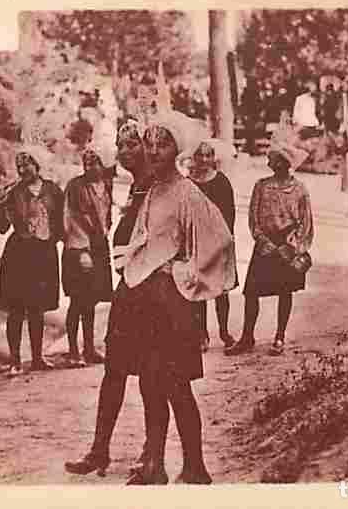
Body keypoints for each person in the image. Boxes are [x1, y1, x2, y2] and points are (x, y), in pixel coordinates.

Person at [123, 112, 236, 485]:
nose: (154, 151)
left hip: (173, 303)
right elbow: (143, 241)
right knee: (149, 383)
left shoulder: (189, 193)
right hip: (148, 299)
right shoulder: (154, 191)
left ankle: (195, 466)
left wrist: (181, 270)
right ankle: (154, 465)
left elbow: (220, 242)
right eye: (150, 144)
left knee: (175, 384)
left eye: (163, 144)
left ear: (178, 150)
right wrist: (138, 267)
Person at [64, 120, 153, 478]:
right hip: (128, 291)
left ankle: (152, 453)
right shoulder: (135, 187)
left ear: (147, 148)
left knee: (153, 377)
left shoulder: (157, 186)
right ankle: (99, 450)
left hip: (152, 295)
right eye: (120, 145)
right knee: (114, 372)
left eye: (132, 144)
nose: (123, 152)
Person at [226, 127, 314, 356]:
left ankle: (279, 337)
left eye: (274, 159)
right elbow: (253, 218)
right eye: (271, 158)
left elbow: (306, 223)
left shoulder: (299, 190)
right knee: (251, 292)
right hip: (265, 245)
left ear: (285, 163)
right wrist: (261, 239)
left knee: (285, 292)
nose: (270, 162)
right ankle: (247, 337)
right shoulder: (261, 186)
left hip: (288, 245)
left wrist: (292, 246)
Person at [0, 149, 65, 376]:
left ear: (37, 165)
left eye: (26, 164)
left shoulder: (53, 190)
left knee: (37, 309)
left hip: (44, 255)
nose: (22, 170)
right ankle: (15, 361)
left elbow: (63, 220)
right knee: (16, 310)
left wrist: (54, 239)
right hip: (18, 255)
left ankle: (38, 358)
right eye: (19, 166)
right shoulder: (13, 193)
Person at [62, 147, 114, 366]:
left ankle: (89, 348)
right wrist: (82, 251)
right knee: (78, 300)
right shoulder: (75, 186)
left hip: (99, 246)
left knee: (91, 300)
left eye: (94, 163)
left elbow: (105, 217)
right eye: (86, 163)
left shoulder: (106, 185)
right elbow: (70, 218)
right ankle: (73, 351)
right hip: (79, 247)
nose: (89, 167)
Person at [187, 140, 239, 351]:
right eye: (200, 155)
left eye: (208, 155)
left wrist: (226, 239)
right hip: (197, 241)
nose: (204, 159)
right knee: (200, 289)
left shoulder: (221, 181)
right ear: (194, 158)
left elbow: (229, 212)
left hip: (219, 240)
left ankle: (224, 332)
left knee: (221, 290)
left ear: (213, 158)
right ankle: (202, 334)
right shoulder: (188, 183)